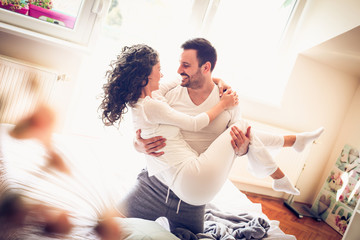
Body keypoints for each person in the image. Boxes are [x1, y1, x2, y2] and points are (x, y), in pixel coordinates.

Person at [99, 41, 324, 234]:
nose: (176, 70)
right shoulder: (163, 94)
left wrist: (220, 85)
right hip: (156, 183)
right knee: (107, 223)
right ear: (145, 76)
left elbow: (242, 143)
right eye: (166, 67)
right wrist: (138, 145)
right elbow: (146, 128)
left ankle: (290, 147)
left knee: (241, 129)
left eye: (185, 65)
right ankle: (287, 154)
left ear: (205, 68)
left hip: (190, 195)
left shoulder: (226, 99)